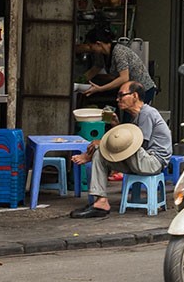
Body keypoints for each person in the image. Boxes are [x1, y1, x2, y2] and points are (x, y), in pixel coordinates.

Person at [67, 82, 172, 217]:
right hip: (139, 160)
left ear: (134, 96)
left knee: (104, 146)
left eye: (121, 95)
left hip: (152, 162)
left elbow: (138, 145)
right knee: (100, 155)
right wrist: (116, 126)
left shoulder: (147, 113)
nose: (118, 99)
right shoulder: (136, 118)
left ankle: (90, 155)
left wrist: (102, 142)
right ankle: (101, 202)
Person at [78, 27, 157, 108]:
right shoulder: (102, 53)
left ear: (98, 44)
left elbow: (124, 78)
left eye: (91, 46)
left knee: (132, 117)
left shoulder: (119, 52)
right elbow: (96, 67)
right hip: (128, 90)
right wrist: (80, 81)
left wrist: (100, 88)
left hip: (142, 90)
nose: (90, 49)